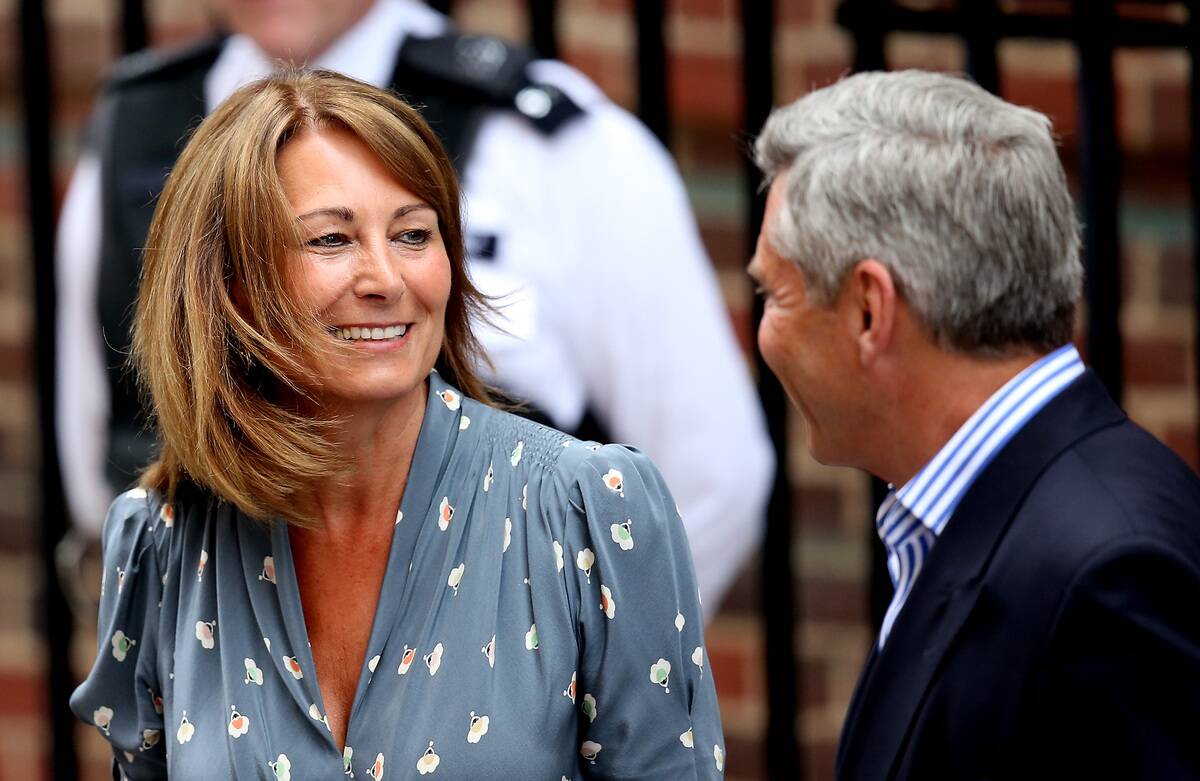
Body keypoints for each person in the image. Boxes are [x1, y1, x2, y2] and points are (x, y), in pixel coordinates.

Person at [69, 69, 725, 779]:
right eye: (330, 240)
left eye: (414, 234)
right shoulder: (162, 543)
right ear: (230, 282)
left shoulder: (589, 511)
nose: (387, 277)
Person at [56, 0, 771, 618]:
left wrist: (571, 681)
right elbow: (110, 458)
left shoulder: (551, 143)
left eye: (411, 234)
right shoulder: (134, 132)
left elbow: (711, 477)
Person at [749, 70, 1200, 779]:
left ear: (869, 309)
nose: (763, 333)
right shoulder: (1000, 515)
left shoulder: (1107, 572)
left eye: (773, 293)